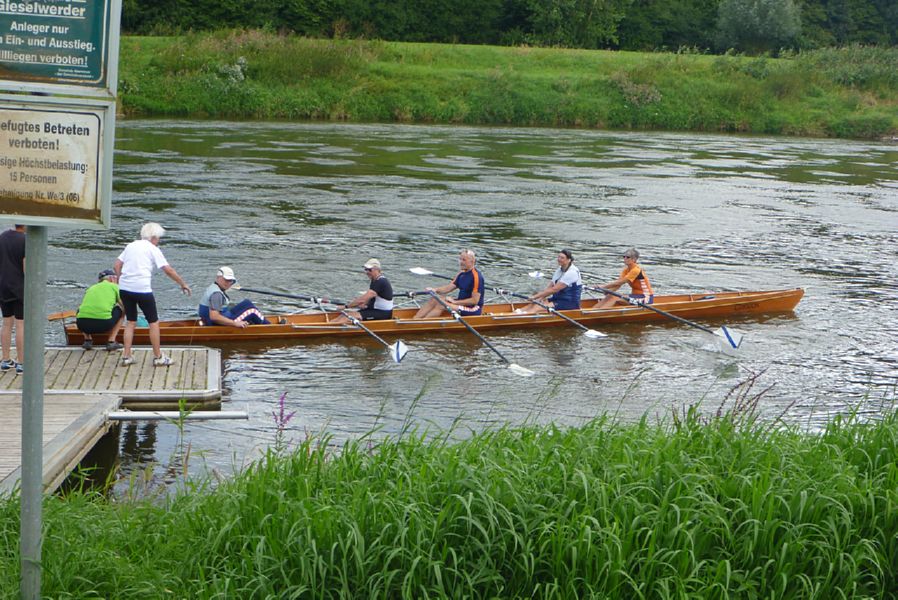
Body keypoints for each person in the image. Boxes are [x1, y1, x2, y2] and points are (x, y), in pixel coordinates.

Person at [114, 222, 192, 367]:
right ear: (154, 237)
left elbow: (117, 265)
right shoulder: (153, 249)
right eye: (158, 238)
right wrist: (182, 283)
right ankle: (158, 357)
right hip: (142, 289)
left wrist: (120, 280)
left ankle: (127, 356)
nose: (158, 241)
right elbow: (168, 270)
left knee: (130, 322)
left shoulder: (131, 245)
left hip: (125, 288)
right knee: (153, 322)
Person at [413, 249, 485, 318]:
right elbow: (448, 288)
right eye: (460, 259)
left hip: (473, 309)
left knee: (441, 305)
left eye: (464, 260)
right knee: (435, 299)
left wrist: (455, 302)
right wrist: (435, 290)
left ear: (472, 261)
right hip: (461, 304)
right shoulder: (461, 274)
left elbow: (474, 301)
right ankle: (415, 319)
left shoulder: (476, 277)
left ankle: (423, 323)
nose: (461, 262)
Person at [516, 249, 583, 314]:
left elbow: (554, 289)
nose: (559, 259)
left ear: (569, 260)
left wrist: (534, 297)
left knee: (537, 308)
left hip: (569, 303)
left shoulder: (572, 272)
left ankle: (522, 317)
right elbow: (550, 287)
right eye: (559, 257)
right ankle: (516, 313)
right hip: (557, 299)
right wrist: (540, 298)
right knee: (535, 303)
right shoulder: (560, 269)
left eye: (562, 258)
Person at [198, 266, 269, 327]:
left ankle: (259, 322)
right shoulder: (216, 294)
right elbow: (214, 317)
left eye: (230, 281)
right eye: (226, 280)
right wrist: (235, 323)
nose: (228, 283)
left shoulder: (214, 287)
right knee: (252, 311)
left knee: (247, 303)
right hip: (217, 324)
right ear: (218, 278)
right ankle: (269, 327)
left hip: (224, 316)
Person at [332, 258, 394, 324]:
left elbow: (362, 299)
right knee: (344, 315)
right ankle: (328, 325)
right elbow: (368, 298)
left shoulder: (381, 282)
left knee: (346, 317)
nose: (367, 272)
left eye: (369, 270)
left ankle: (329, 327)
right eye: (366, 269)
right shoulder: (374, 280)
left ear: (377, 269)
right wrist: (365, 304)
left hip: (383, 313)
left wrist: (345, 306)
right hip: (373, 310)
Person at [76, 269, 125, 351]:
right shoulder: (115, 286)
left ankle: (87, 340)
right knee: (122, 310)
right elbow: (125, 305)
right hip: (104, 325)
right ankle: (111, 341)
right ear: (112, 278)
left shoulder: (91, 288)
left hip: (82, 325)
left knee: (80, 310)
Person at [0, 224, 25, 375]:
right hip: (19, 287)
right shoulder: (25, 240)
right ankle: (21, 363)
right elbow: (25, 268)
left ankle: (5, 359)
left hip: (3, 285)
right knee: (20, 324)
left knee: (6, 323)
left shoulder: (2, 237)